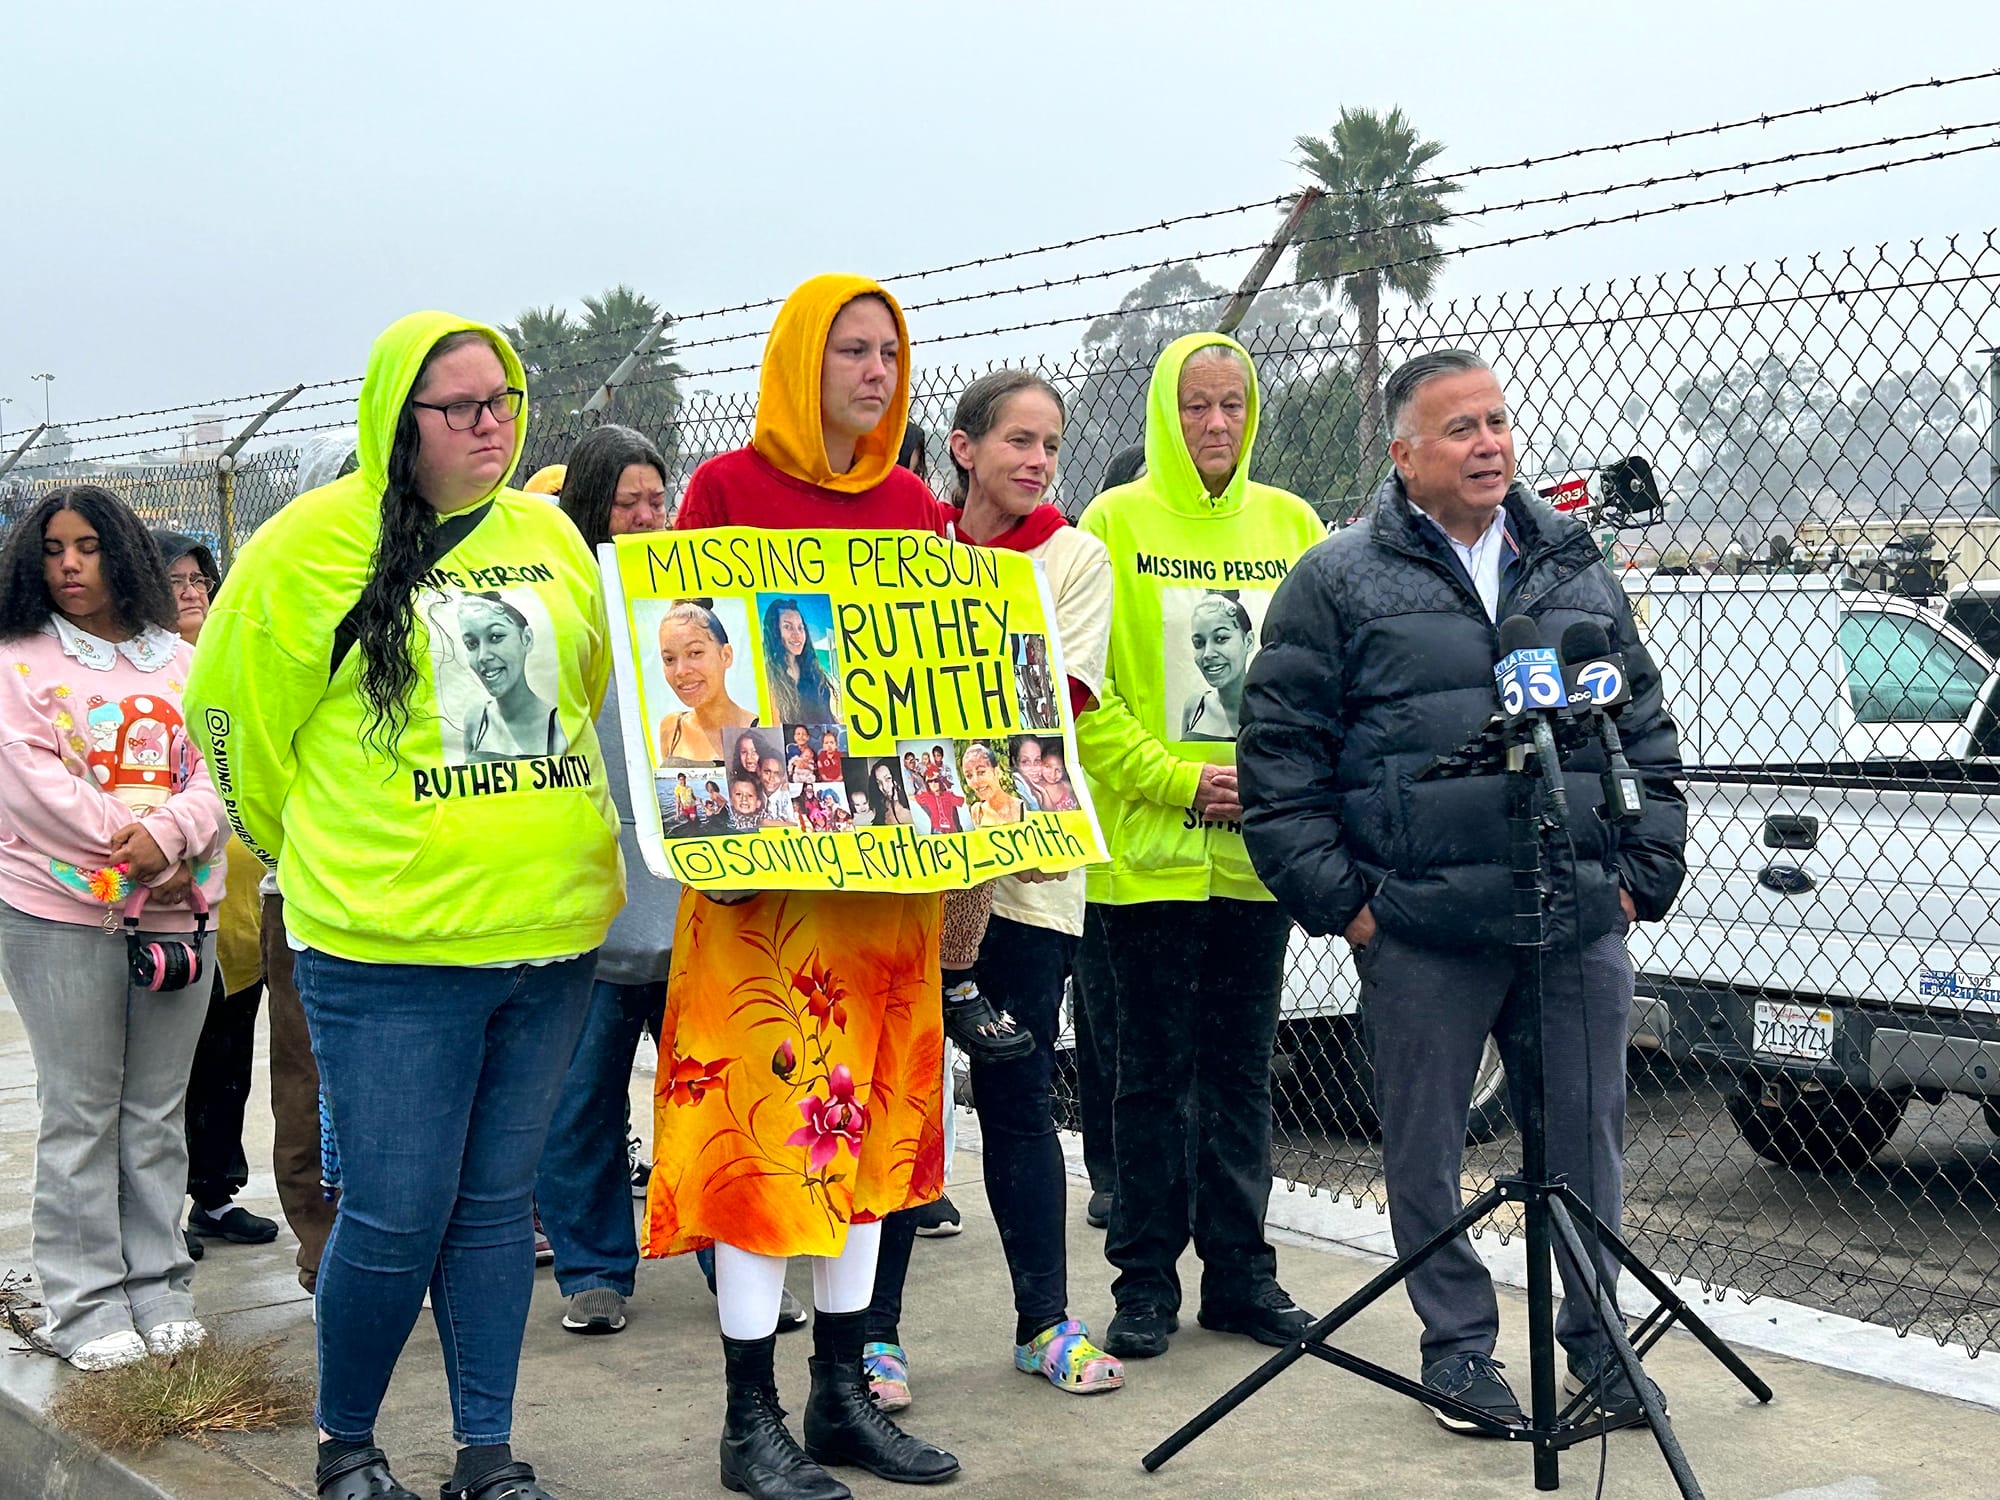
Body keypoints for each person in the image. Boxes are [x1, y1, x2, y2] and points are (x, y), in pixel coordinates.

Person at [188, 312, 624, 1500]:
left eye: (507, 402)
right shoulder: (305, 549)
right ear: (399, 422)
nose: (493, 425)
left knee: (491, 1212)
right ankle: (349, 1445)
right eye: (463, 408)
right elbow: (231, 731)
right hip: (387, 953)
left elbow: (581, 692)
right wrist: (321, 854)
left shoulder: (547, 536)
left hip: (548, 941)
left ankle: (486, 1448)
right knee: (392, 1212)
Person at [1237, 348, 1687, 1434]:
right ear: (1402, 455)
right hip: (1421, 930)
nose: (1487, 443)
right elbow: (1277, 758)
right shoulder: (1336, 578)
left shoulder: (1572, 564)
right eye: (1459, 429)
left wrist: (1640, 875)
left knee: (1583, 1143)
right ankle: (1457, 1353)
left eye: (1495, 422)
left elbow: (1641, 723)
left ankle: (1595, 1343)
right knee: (1425, 1151)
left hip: (1574, 914)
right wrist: (1348, 904)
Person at [644, 274, 958, 1499]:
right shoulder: (725, 493)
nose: (876, 373)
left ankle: (839, 1396)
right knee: (762, 1146)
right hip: (759, 890)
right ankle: (745, 1419)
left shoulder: (913, 506)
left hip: (884, 887)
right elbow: (679, 665)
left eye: (889, 352)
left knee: (867, 1138)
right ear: (798, 363)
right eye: (850, 352)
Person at [868, 369, 1121, 1403]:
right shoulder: (907, 546)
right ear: (962, 448)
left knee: (1018, 1095)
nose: (1036, 460)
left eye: (1050, 444)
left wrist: (929, 686)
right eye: (1017, 440)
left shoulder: (1072, 559)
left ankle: (1044, 1323)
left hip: (1023, 880)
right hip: (904, 871)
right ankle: (871, 1335)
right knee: (893, 1101)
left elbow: (1047, 698)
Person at [1074, 332, 1324, 1361]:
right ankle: (1142, 1282)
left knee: (1238, 1076)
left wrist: (1271, 786)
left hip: (1253, 859)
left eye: (1230, 406)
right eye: (1194, 408)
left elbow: (1319, 680)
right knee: (1146, 1081)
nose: (1214, 426)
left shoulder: (1292, 524)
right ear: (1162, 418)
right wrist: (1181, 779)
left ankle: (1239, 1275)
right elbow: (1083, 699)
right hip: (1143, 861)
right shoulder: (1112, 525)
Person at [0, 486, 227, 1372]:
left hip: (179, 917)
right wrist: (127, 845)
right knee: (84, 1112)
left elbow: (217, 767)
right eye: (53, 549)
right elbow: (30, 783)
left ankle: (160, 1284)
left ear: (121, 554)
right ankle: (85, 1302)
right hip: (61, 917)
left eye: (89, 547)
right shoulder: (17, 662)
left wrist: (170, 835)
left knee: (154, 1111)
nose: (69, 565)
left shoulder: (181, 660)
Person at [536, 422, 679, 1338]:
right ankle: (593, 1268)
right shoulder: (555, 605)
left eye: (656, 500)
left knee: (709, 1097)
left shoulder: (697, 603)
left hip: (691, 904)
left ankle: (730, 1259)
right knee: (577, 1101)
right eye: (624, 501)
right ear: (588, 506)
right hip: (588, 909)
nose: (642, 518)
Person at [151, 529, 281, 1264]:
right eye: (174, 581)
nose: (191, 590)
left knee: (230, 1056)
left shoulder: (233, 663)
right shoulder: (152, 676)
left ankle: (216, 1193)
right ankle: (155, 1211)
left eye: (199, 577)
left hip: (241, 906)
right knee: (173, 1065)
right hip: (176, 899)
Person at [259, 429, 358, 1300]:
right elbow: (248, 757)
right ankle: (322, 1244)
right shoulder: (286, 598)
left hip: (404, 897)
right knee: (308, 1075)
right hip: (301, 890)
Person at [455, 592, 564, 760]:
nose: (482, 656)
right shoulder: (475, 720)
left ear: (526, 639)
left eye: (496, 637)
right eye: (472, 644)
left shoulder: (558, 723)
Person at [658, 601, 756, 764]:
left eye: (695, 653)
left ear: (726, 656)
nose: (681, 671)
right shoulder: (672, 728)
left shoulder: (762, 729)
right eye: (669, 659)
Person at [1179, 592, 1254, 741]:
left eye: (1221, 639)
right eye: (1199, 643)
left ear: (1249, 641)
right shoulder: (1194, 707)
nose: (1207, 654)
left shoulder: (1271, 711)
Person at [763, 598, 841, 726]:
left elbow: (828, 714)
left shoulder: (812, 669)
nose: (797, 635)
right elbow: (775, 727)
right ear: (774, 631)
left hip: (830, 741)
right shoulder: (769, 677)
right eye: (788, 627)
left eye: (800, 628)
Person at [962, 742, 1023, 827]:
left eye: (981, 772)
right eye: (969, 776)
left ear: (997, 772)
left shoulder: (1021, 808)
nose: (976, 781)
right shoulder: (977, 812)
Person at [857, 761, 912, 827]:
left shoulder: (909, 811)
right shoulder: (879, 806)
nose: (884, 787)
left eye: (888, 779)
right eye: (879, 782)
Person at [759, 756, 798, 826]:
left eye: (776, 774)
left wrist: (769, 823)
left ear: (783, 777)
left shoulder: (791, 794)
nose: (771, 778)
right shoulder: (754, 792)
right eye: (767, 772)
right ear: (759, 772)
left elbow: (796, 826)